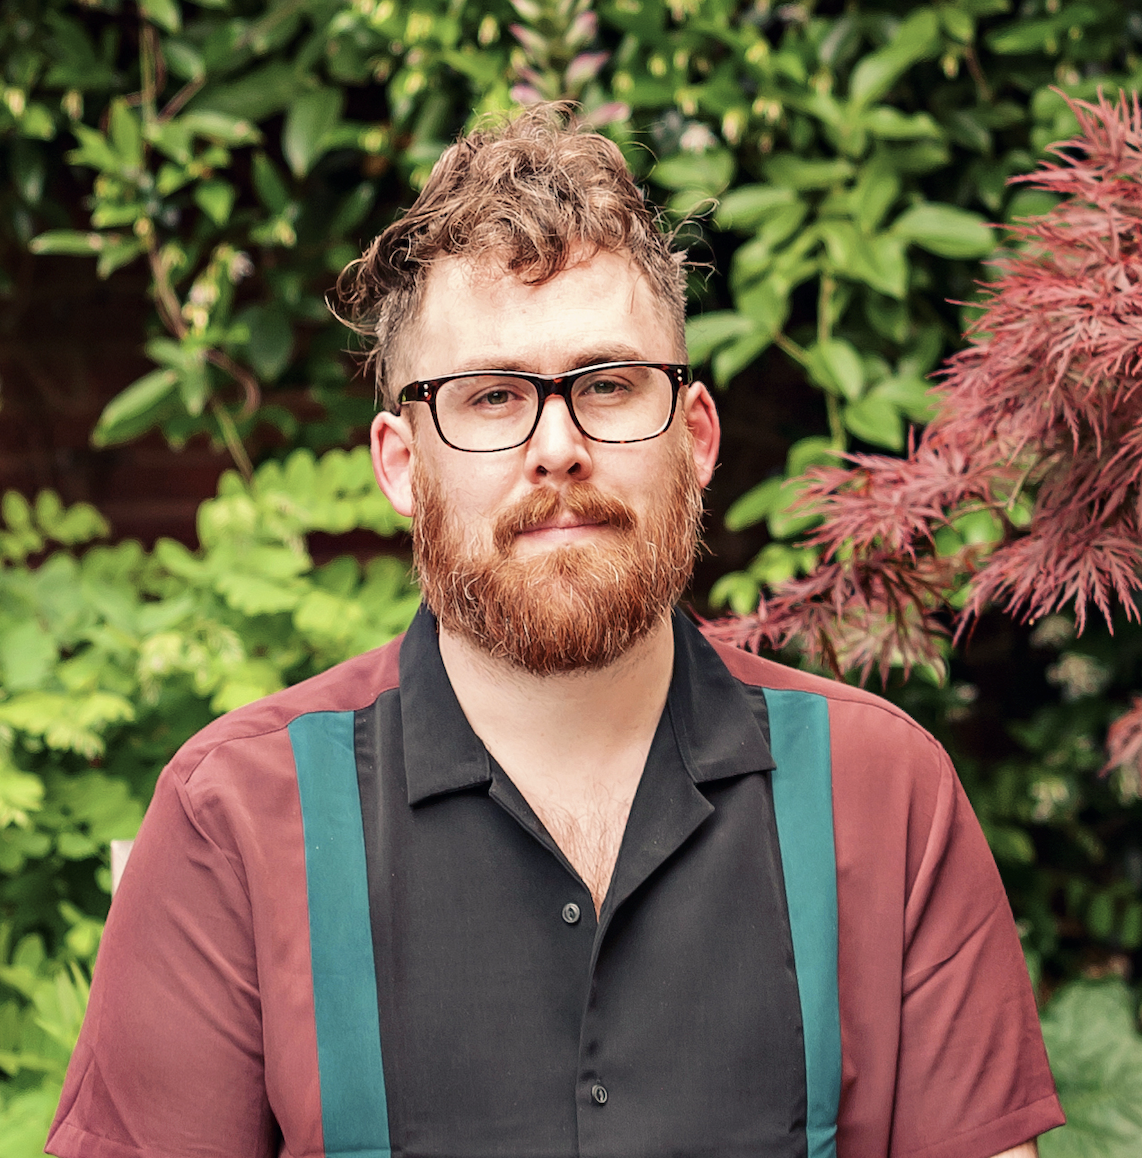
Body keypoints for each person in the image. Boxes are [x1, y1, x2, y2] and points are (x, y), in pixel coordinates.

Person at [47, 105, 1064, 1158]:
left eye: (609, 385)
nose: (557, 446)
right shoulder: (234, 821)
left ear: (695, 436)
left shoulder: (881, 797)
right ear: (400, 463)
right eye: (489, 397)